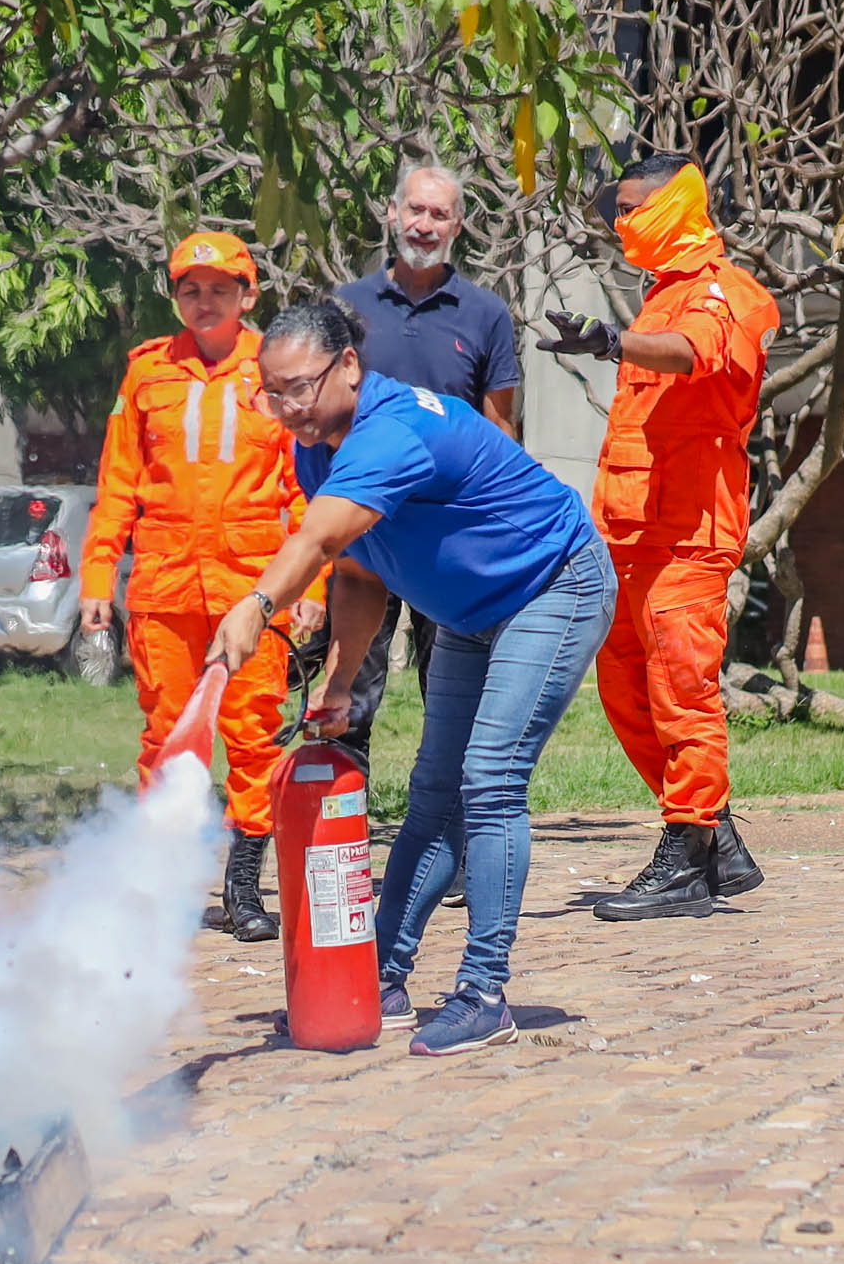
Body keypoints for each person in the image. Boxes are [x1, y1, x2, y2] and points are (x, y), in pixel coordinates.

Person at [208, 299, 615, 1057]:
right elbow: (360, 571)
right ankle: (381, 978)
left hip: (553, 585)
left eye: (301, 387)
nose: (289, 407)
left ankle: (484, 993)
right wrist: (339, 680)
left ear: (348, 365)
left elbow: (318, 539)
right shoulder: (319, 448)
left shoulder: (392, 431)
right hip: (468, 611)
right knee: (433, 791)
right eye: (275, 392)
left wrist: (258, 605)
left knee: (489, 778)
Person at [540, 155, 778, 922]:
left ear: (675, 205)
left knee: (683, 690)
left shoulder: (724, 291)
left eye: (632, 208)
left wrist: (614, 342)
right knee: (623, 689)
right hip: (628, 533)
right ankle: (715, 839)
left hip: (688, 535)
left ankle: (685, 854)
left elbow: (693, 351)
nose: (620, 224)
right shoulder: (658, 297)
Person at [80, 231, 327, 942]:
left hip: (254, 585)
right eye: (190, 289)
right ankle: (162, 886)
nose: (205, 300)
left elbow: (305, 490)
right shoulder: (146, 373)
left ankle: (243, 888)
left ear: (248, 295)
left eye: (220, 288)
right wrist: (98, 572)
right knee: (166, 738)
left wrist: (311, 584)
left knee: (253, 738)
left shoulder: (276, 370)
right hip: (164, 587)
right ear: (175, 297)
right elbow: (118, 482)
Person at [331, 163, 521, 760]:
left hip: (449, 532)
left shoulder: (486, 313)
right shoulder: (347, 305)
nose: (424, 224)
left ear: (458, 225)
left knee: (452, 689)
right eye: (415, 209)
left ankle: (448, 809)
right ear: (392, 213)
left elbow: (500, 428)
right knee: (350, 685)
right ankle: (342, 810)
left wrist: (496, 529)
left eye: (440, 214)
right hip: (367, 522)